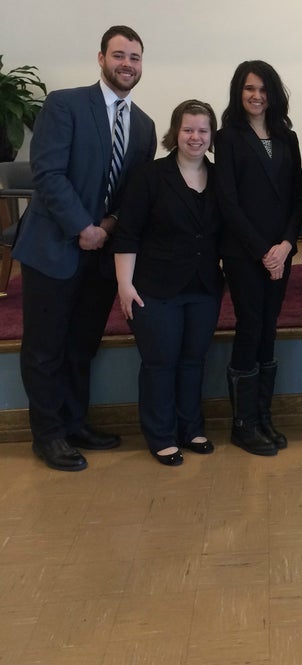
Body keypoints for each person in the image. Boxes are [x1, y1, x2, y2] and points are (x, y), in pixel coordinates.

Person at [13, 25, 156, 471]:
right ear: (100, 58)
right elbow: (47, 173)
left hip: (100, 256)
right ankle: (49, 434)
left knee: (81, 346)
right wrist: (82, 226)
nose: (127, 64)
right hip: (53, 249)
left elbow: (133, 194)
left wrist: (107, 226)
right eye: (119, 55)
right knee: (45, 347)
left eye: (134, 57)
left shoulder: (146, 126)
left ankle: (75, 423)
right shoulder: (66, 104)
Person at [114, 100, 223, 466]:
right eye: (188, 129)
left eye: (203, 130)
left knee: (194, 361)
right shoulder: (151, 175)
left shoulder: (220, 176)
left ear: (211, 136)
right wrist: (124, 285)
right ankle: (161, 435)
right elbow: (127, 233)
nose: (195, 136)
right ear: (175, 132)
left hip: (204, 286)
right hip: (155, 287)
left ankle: (191, 428)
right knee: (160, 363)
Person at [214, 61, 302, 456]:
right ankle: (243, 424)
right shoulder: (227, 137)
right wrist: (262, 250)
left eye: (264, 89)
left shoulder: (288, 136)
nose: (256, 96)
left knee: (269, 327)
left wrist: (285, 246)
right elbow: (228, 201)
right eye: (249, 88)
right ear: (238, 92)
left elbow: (298, 197)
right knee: (250, 326)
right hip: (244, 252)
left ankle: (263, 416)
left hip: (281, 254)